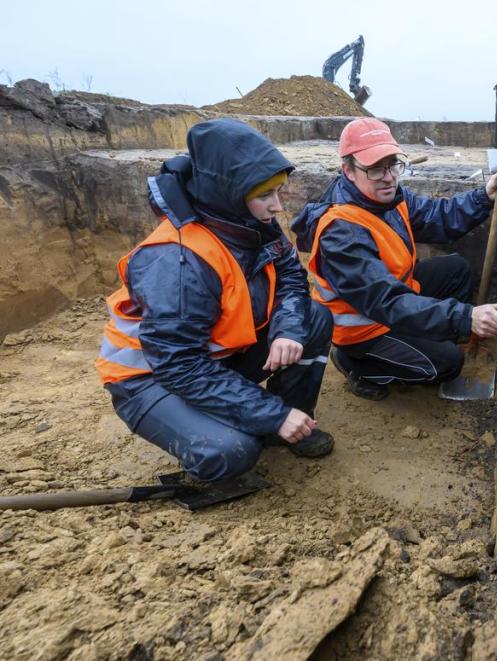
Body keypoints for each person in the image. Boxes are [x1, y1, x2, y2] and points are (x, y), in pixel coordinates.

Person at [95, 118, 334, 482]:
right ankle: (260, 424)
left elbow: (291, 277)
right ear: (231, 192)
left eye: (279, 192)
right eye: (266, 195)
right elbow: (178, 365)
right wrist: (268, 411)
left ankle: (289, 424)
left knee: (311, 317)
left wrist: (287, 330)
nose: (277, 207)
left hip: (210, 359)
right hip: (149, 379)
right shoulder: (178, 260)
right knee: (231, 452)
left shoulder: (253, 224)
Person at [291, 118, 497, 400]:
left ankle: (425, 340)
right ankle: (356, 366)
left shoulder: (389, 197)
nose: (387, 177)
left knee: (457, 269)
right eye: (374, 169)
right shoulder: (341, 232)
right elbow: (385, 301)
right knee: (447, 364)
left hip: (397, 296)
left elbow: (437, 216)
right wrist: (464, 317)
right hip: (364, 329)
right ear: (348, 171)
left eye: (392, 165)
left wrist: (484, 197)